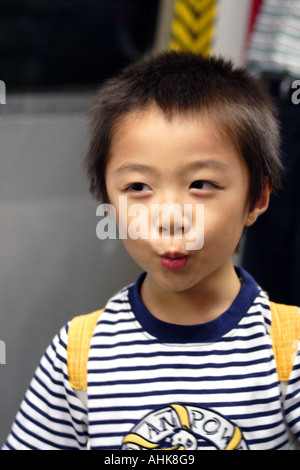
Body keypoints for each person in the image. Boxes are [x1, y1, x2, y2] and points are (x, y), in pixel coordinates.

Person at [3, 51, 300, 450]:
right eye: (138, 188)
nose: (170, 218)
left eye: (201, 185)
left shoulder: (289, 350)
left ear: (258, 196)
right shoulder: (77, 354)